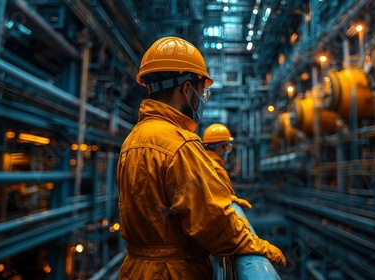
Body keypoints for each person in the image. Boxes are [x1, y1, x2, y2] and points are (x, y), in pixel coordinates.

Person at [116, 36, 286, 279]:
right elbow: (211, 221)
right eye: (200, 91)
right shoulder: (179, 143)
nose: (201, 99)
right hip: (173, 272)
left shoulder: (133, 139)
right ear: (186, 90)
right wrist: (257, 246)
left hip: (135, 270)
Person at [202, 123, 252, 209]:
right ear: (220, 148)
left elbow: (218, 195)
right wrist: (241, 222)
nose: (227, 152)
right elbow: (222, 208)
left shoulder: (202, 162)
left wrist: (234, 199)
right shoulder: (216, 170)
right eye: (228, 147)